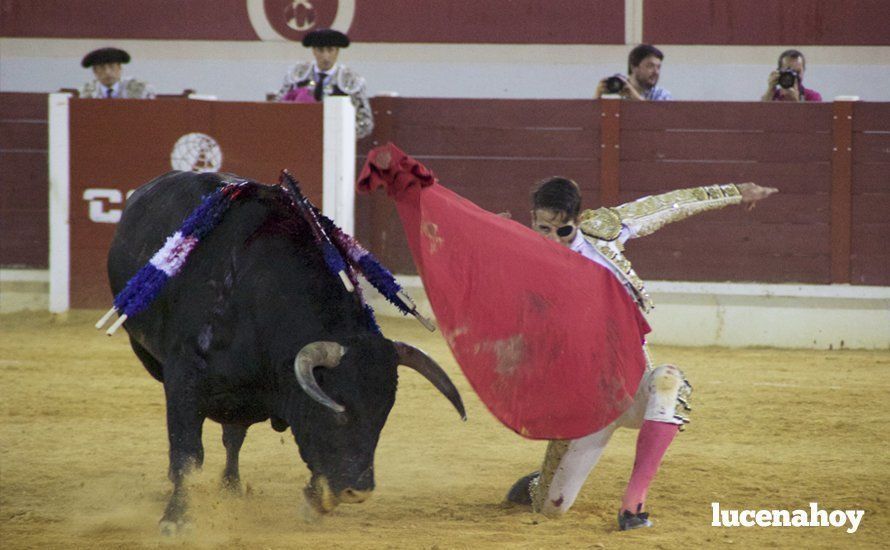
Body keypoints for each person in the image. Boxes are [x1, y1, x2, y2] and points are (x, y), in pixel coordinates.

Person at [505, 177, 778, 530]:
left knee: (668, 382)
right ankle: (538, 484)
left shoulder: (603, 231)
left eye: (564, 230)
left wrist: (735, 192)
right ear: (532, 219)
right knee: (552, 508)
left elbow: (671, 202)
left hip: (631, 383)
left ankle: (633, 506)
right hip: (582, 407)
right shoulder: (518, 251)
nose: (554, 239)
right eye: (544, 228)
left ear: (579, 219)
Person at [275, 28, 374, 139]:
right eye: (320, 50)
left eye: (330, 50)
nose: (325, 56)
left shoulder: (351, 80)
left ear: (337, 51)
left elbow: (365, 123)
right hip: (299, 139)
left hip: (336, 144)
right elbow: (277, 108)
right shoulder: (297, 75)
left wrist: (339, 135)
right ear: (313, 51)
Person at [596, 44, 671, 101]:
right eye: (650, 66)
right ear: (634, 67)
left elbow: (661, 118)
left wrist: (635, 97)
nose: (656, 72)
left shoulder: (661, 94)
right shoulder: (617, 87)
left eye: (658, 67)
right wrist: (597, 96)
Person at [80, 47, 155, 99]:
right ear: (95, 71)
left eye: (112, 66)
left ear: (119, 68)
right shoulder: (87, 93)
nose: (107, 72)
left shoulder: (139, 90)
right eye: (102, 67)